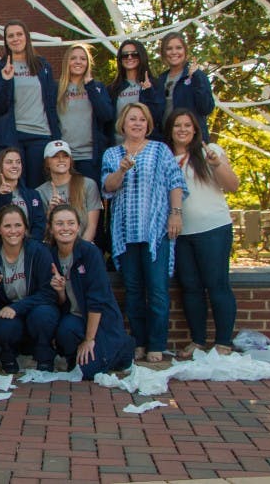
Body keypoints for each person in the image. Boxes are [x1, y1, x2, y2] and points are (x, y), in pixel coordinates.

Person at [102, 103, 186, 363]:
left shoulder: (160, 150)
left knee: (158, 290)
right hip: (126, 233)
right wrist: (122, 170)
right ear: (123, 124)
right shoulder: (112, 154)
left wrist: (175, 213)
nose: (137, 123)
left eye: (141, 119)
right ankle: (138, 341)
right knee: (134, 291)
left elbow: (175, 183)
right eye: (132, 119)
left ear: (148, 124)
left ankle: (156, 344)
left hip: (155, 231)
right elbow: (108, 187)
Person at [166, 109, 239, 358]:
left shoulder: (210, 152)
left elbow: (233, 186)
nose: (183, 130)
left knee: (217, 284)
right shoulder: (167, 158)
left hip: (213, 229)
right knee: (190, 288)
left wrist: (217, 165)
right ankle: (198, 340)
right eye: (177, 126)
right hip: (182, 234)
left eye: (188, 125)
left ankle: (223, 342)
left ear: (195, 129)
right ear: (171, 130)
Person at [48, 205, 135, 379]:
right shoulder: (50, 256)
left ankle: (123, 347)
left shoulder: (90, 253)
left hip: (100, 321)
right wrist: (60, 292)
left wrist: (89, 339)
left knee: (89, 373)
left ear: (78, 227)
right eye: (59, 224)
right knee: (65, 332)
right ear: (51, 228)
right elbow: (62, 302)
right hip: (76, 319)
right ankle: (77, 359)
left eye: (71, 223)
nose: (65, 228)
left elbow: (97, 299)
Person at [0, 205, 59, 373]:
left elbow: (48, 293)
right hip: (8, 314)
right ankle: (8, 355)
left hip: (34, 308)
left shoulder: (38, 252)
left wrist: (16, 308)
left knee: (44, 315)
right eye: (7, 226)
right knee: (4, 326)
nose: (13, 231)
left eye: (18, 225)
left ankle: (44, 356)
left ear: (25, 228)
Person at [0, 20, 60, 187]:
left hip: (41, 135)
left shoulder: (42, 65)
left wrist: (56, 136)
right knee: (15, 187)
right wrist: (6, 81)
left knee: (38, 188)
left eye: (19, 34)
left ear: (26, 37)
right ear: (6, 41)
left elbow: (51, 103)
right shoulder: (0, 67)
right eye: (10, 36)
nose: (15, 39)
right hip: (13, 137)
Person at [55, 43, 113, 184]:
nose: (78, 62)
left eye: (83, 58)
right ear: (67, 62)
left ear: (88, 63)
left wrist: (90, 86)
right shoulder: (56, 88)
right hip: (64, 156)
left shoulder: (97, 87)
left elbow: (107, 115)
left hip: (89, 157)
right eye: (73, 58)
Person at [36, 141, 102, 243]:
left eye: (65, 156)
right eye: (55, 157)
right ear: (47, 162)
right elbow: (41, 233)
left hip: (84, 246)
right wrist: (50, 212)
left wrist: (82, 250)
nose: (61, 160)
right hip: (54, 248)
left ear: (70, 160)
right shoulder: (39, 192)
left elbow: (92, 226)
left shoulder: (88, 184)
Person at [156, 32, 216, 142]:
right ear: (164, 53)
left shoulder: (197, 75)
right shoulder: (161, 80)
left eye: (178, 48)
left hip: (193, 143)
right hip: (167, 142)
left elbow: (207, 108)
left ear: (185, 50)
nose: (174, 52)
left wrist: (197, 78)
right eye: (169, 48)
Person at [0, 148, 47, 243]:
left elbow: (39, 225)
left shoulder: (33, 194)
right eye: (9, 162)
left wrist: (30, 246)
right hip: (0, 248)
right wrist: (4, 198)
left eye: (18, 162)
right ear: (0, 166)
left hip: (28, 247)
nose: (15, 166)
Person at [106, 40, 163, 143]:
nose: (129, 57)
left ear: (141, 56)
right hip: (118, 147)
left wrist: (148, 91)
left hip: (146, 147)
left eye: (134, 54)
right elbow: (107, 120)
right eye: (125, 55)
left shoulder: (155, 85)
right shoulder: (112, 89)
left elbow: (157, 117)